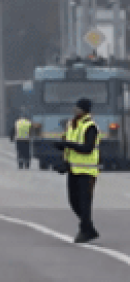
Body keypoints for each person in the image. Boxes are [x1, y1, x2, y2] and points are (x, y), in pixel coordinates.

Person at [50, 98, 100, 243]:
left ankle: (85, 230)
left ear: (84, 110)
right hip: (73, 169)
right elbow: (69, 148)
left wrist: (67, 144)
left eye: (78, 108)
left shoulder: (90, 126)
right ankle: (88, 228)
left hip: (87, 171)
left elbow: (88, 148)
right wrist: (63, 162)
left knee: (84, 203)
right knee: (73, 201)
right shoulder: (71, 124)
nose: (75, 109)